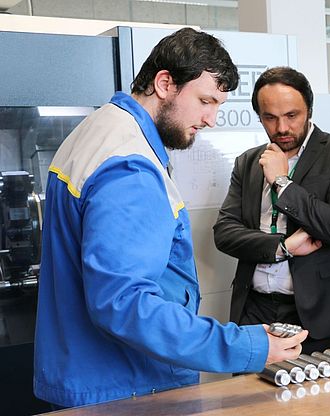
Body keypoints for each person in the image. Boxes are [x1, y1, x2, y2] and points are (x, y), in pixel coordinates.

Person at [34, 28, 307, 409]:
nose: (210, 119)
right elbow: (125, 304)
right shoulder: (130, 166)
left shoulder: (99, 132)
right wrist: (245, 345)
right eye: (205, 101)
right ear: (165, 83)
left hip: (93, 375)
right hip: (125, 383)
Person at [213, 66, 330, 355]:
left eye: (291, 116)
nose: (282, 128)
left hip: (318, 313)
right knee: (254, 397)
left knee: (319, 399)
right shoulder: (248, 162)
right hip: (254, 311)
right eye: (270, 118)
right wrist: (282, 247)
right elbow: (224, 233)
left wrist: (282, 183)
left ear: (309, 110)